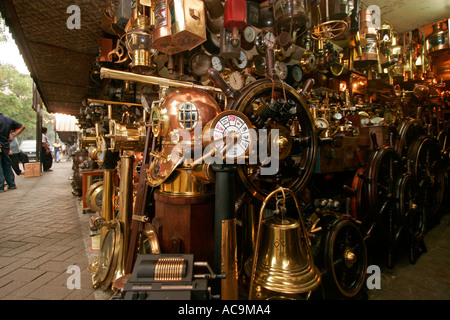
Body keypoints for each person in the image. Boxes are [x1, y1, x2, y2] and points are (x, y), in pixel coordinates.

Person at [0, 113, 25, 192]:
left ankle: (0, 186)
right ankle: (11, 184)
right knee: (6, 165)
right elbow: (22, 127)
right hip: (5, 146)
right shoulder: (7, 119)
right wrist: (12, 136)